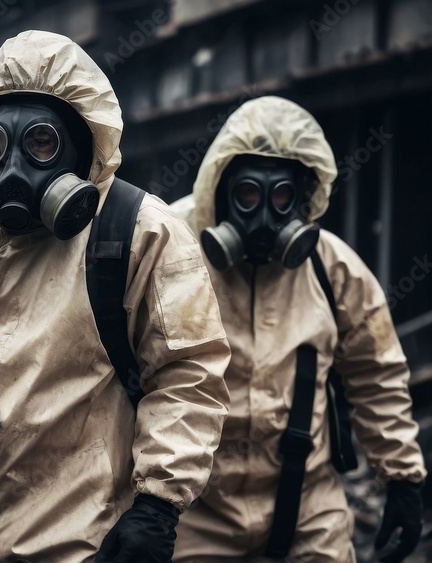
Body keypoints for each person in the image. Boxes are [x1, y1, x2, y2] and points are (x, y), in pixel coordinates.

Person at [0, 30, 232, 563]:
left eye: (40, 144)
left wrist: (157, 506)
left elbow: (187, 377)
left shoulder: (142, 232)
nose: (12, 169)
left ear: (83, 145)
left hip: (73, 542)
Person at [170, 96, 426, 562]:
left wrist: (403, 477)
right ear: (218, 190)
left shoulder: (332, 269)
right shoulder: (170, 250)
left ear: (306, 197)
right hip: (193, 505)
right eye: (247, 194)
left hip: (307, 503)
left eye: (282, 197)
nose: (263, 216)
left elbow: (377, 375)